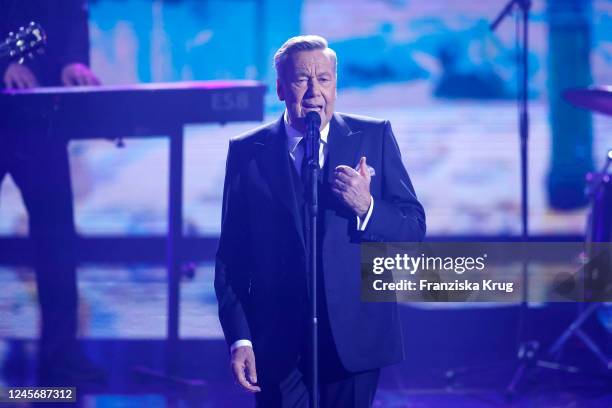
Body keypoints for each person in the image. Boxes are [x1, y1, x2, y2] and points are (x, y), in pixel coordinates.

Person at [215, 35, 425, 407]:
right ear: (281, 88)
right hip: (278, 344)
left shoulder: (373, 136)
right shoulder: (247, 151)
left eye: (324, 79)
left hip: (354, 341)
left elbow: (412, 227)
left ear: (336, 86)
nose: (314, 92)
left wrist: (367, 206)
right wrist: (240, 338)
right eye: (301, 80)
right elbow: (232, 259)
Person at [0, 0, 102, 383]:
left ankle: (60, 356)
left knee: (57, 240)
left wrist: (74, 61)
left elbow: (71, 13)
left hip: (37, 119)